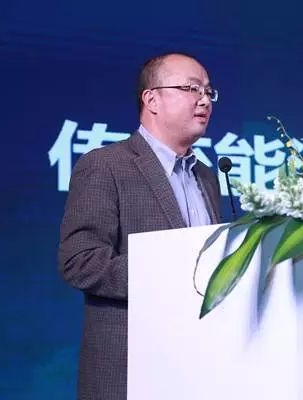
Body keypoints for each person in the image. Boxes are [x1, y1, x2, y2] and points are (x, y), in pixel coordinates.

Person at [58, 52, 221, 400]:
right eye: (191, 88)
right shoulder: (106, 165)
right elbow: (80, 262)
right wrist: (172, 275)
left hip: (199, 367)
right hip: (131, 369)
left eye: (208, 91)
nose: (204, 100)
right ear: (152, 100)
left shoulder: (208, 177)